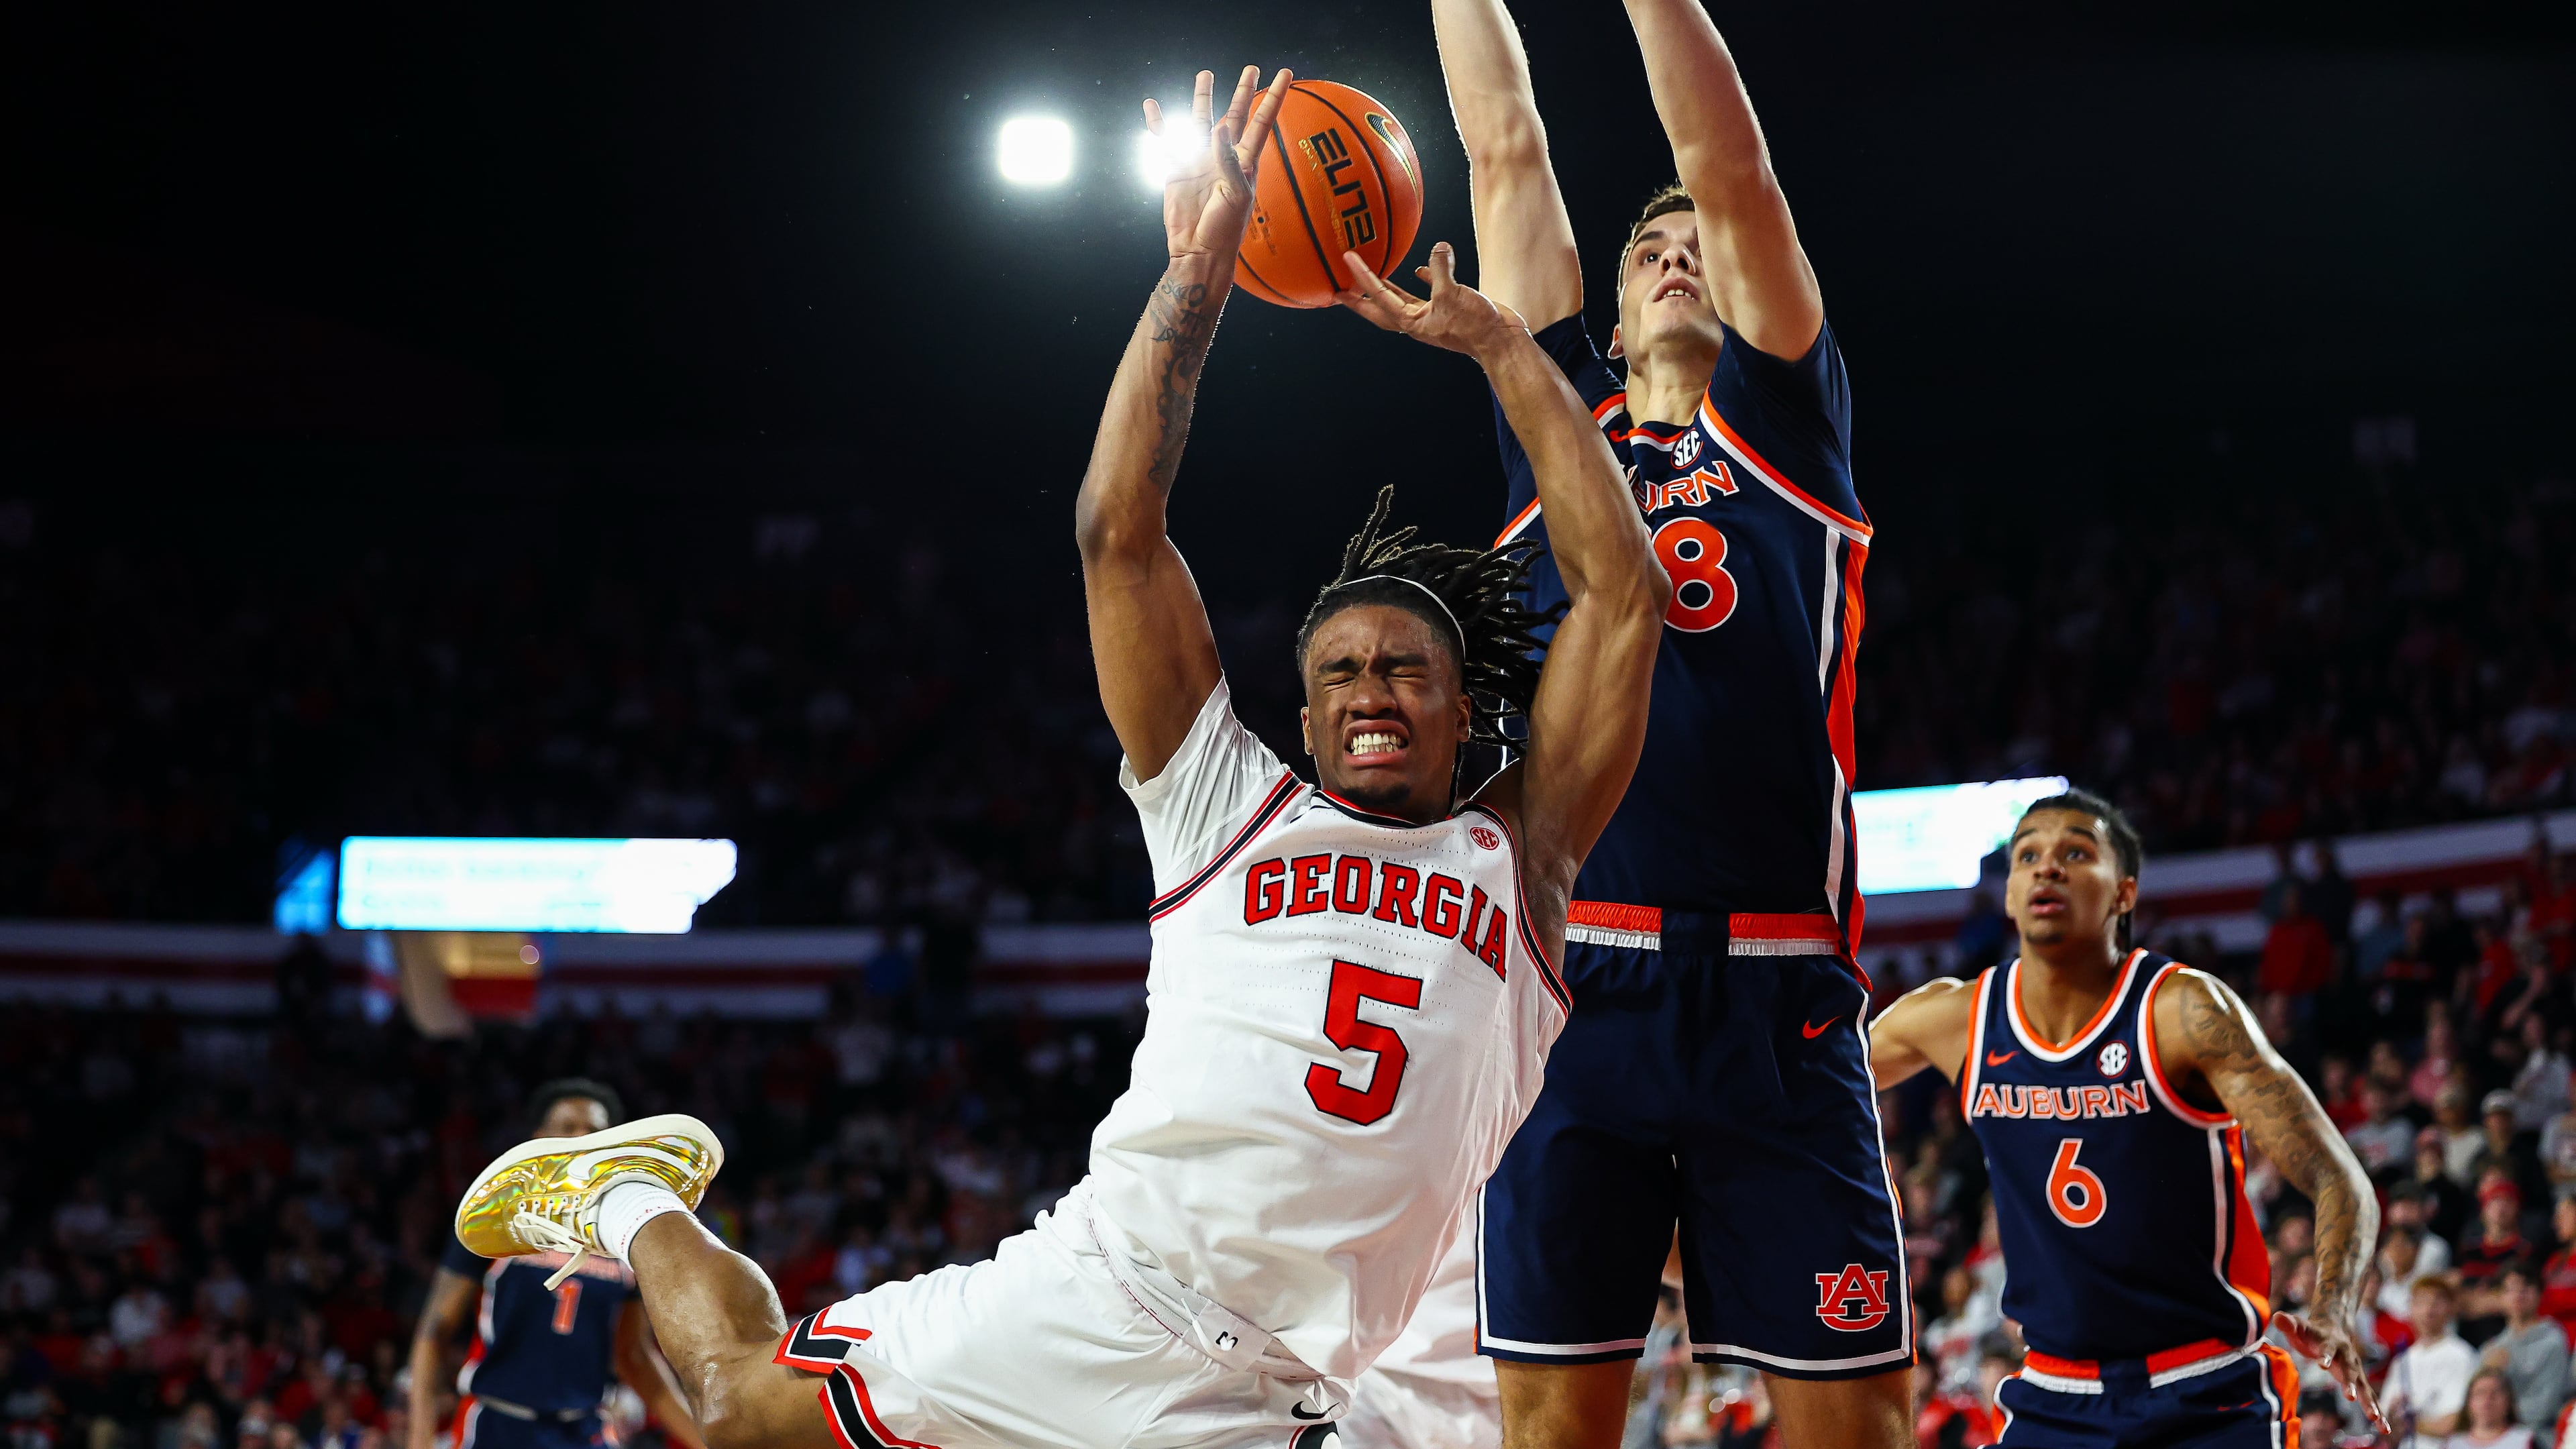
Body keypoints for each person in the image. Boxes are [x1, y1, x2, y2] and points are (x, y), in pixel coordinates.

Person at [447, 61, 1672, 1449]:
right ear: (1307, 711)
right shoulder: (1229, 805)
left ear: (1467, 713)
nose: (1371, 689)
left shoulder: (1527, 854)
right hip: (1103, 1302)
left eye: (1406, 669)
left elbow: (1623, 597)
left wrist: (1507, 350)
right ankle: (628, 1194)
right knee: (736, 1412)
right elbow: (1117, 535)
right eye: (1339, 672)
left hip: (1286, 1394)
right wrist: (1201, 277)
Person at [1421, 2, 1901, 1447]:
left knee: (1861, 1428)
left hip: (1776, 991)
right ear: (1610, 321)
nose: (1678, 252)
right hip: (1574, 992)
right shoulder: (1550, 432)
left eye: (1697, 244)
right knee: (1552, 1431)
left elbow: (1730, 157)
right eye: (1647, 250)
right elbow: (1502, 148)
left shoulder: (1786, 427)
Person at [1871, 792, 2388, 1448]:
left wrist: (2336, 1308)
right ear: (2007, 896)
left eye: (2075, 853)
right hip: (2052, 1396)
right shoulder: (1952, 1019)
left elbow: (2340, 1178)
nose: (2046, 868)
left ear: (2123, 894)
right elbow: (1812, 1099)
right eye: (2028, 855)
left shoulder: (2183, 1012)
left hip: (2205, 1391)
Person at [406, 1081, 705, 1449]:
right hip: (499, 1424)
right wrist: (418, 1440)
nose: (582, 1137)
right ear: (539, 1141)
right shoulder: (495, 1218)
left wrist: (706, 1441)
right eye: (567, 1127)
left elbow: (633, 1355)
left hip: (583, 1427)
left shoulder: (628, 1231)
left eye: (595, 1130)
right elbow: (434, 1330)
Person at [2477, 1262, 2571, 1440]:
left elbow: (2547, 1406)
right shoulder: (2490, 1349)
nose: (2518, 1296)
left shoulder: (2554, 1340)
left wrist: (2499, 1416)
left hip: (2537, 1436)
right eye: (2510, 1289)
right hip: (2493, 1436)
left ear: (2540, 1294)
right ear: (2499, 1297)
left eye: (2526, 1288)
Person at [2389, 1277, 2480, 1449]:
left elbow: (2457, 1422)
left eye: (2437, 1302)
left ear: (2451, 1308)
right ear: (2411, 1308)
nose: (2429, 1309)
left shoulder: (2462, 1355)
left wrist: (2410, 1423)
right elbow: (2390, 1430)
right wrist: (2393, 1417)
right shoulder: (2402, 1360)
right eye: (2421, 1302)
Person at [2447, 1368, 2534, 1449]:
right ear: (2469, 1401)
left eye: (2495, 1393)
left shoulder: (2526, 1441)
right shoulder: (2453, 1444)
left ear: (2508, 1401)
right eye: (2480, 1393)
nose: (2487, 1400)